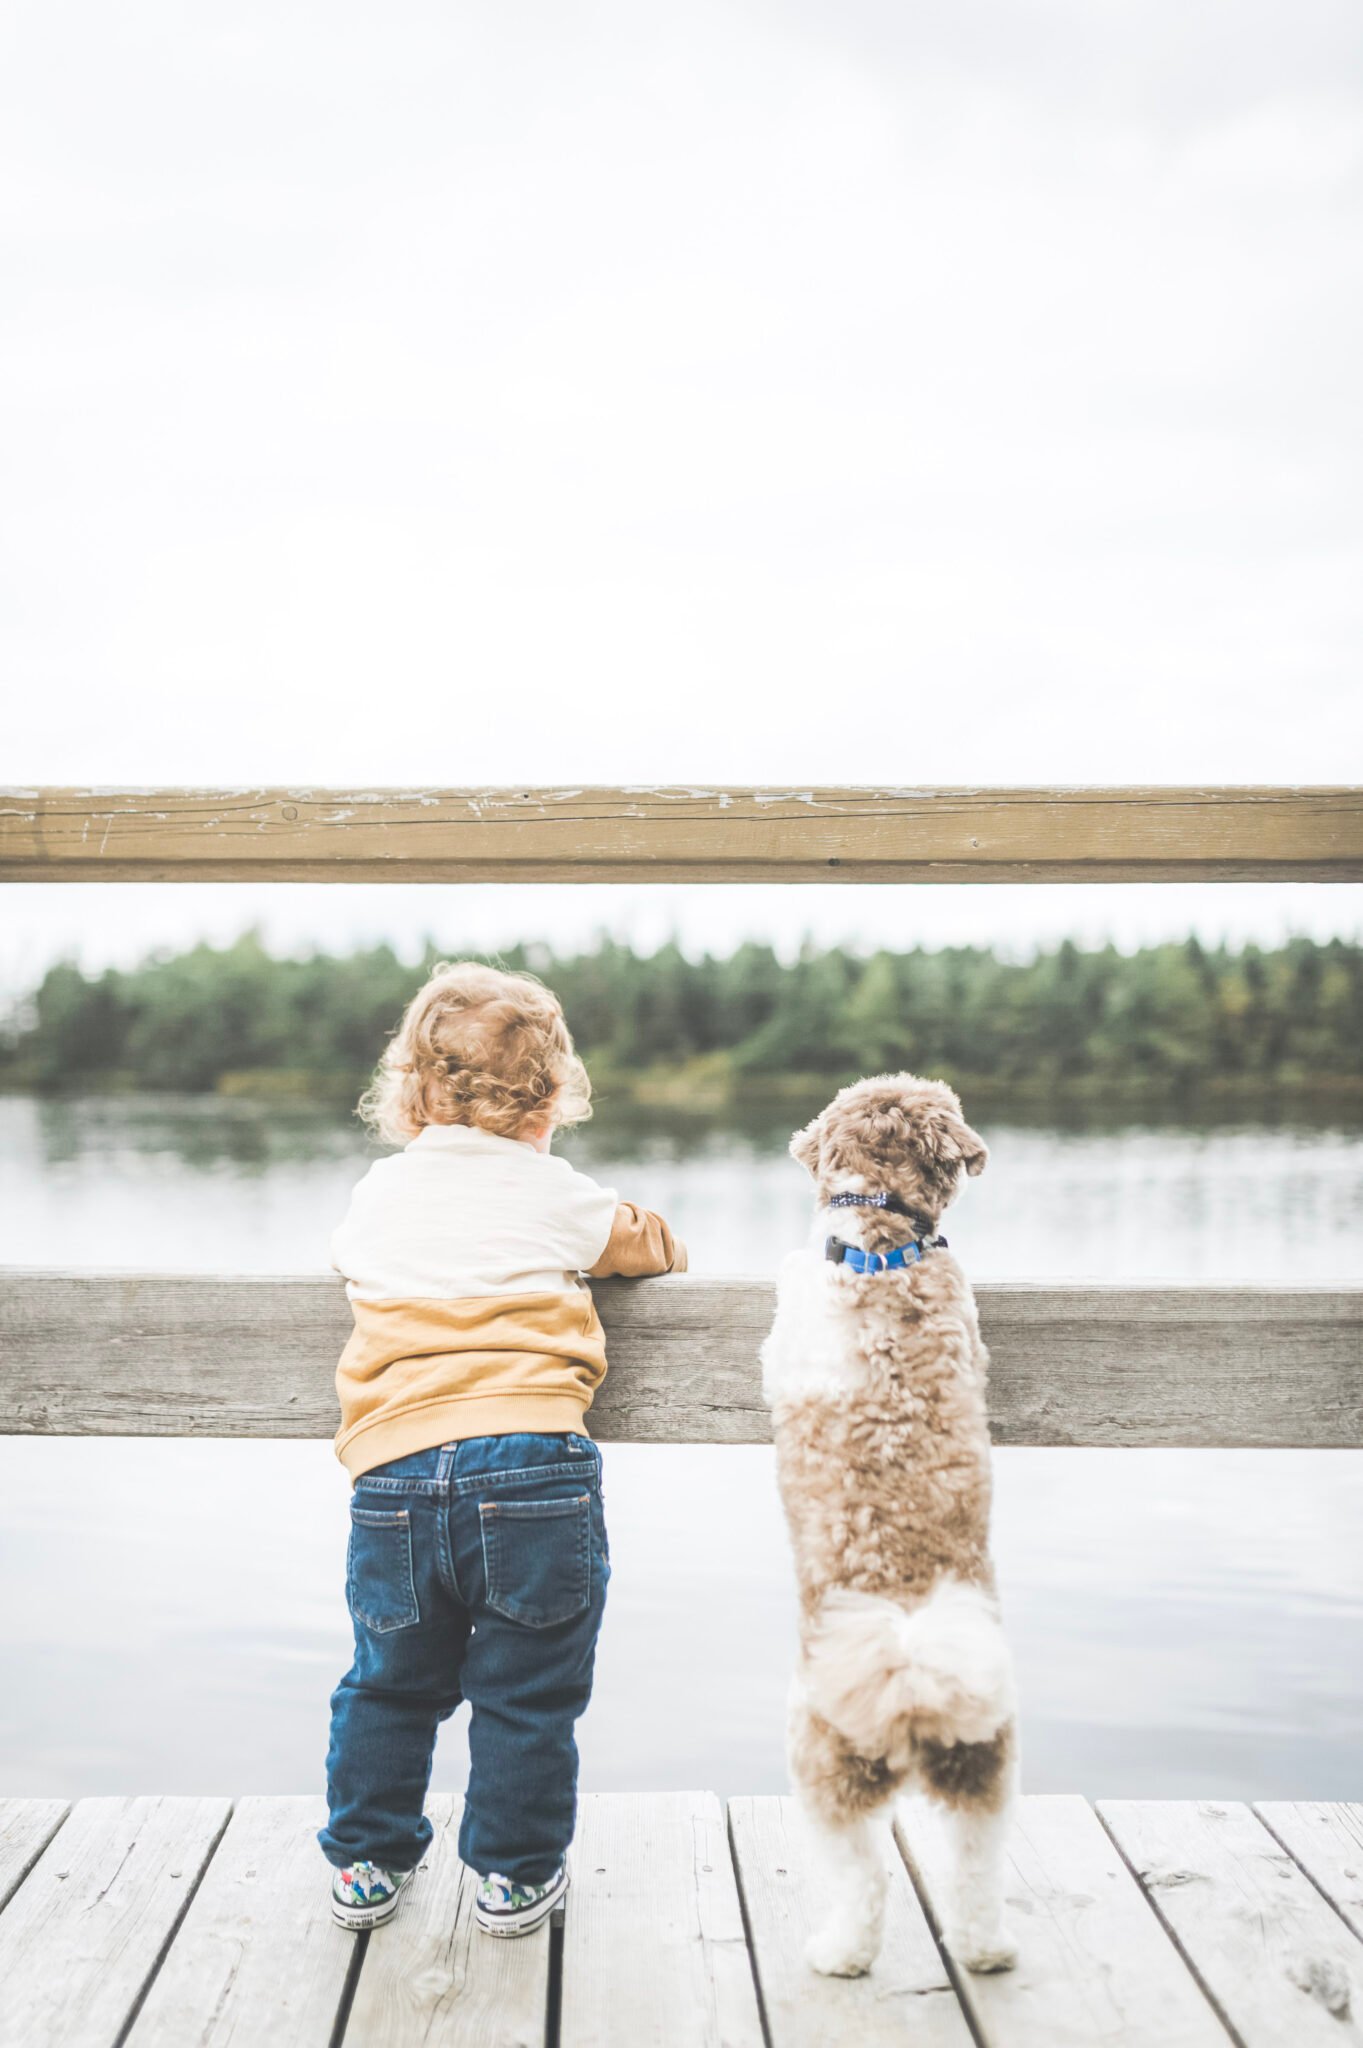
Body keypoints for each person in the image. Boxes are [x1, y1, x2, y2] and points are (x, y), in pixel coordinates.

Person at [318, 961, 685, 1936]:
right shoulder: (554, 1189)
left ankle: (365, 1860)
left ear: (409, 1093)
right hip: (530, 1467)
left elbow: (348, 1255)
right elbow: (648, 1245)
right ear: (552, 1097)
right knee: (527, 1693)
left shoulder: (378, 1193)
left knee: (389, 1679)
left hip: (393, 1472)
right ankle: (514, 1877)